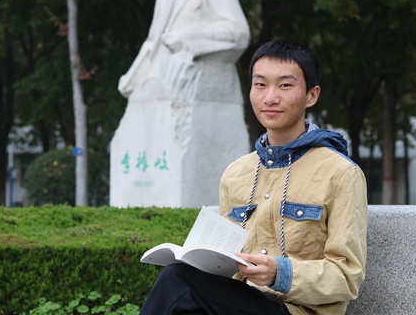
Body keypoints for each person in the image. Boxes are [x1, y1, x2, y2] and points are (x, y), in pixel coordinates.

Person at [139, 39, 368, 315]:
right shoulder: (236, 173)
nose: (270, 97)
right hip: (240, 304)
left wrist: (280, 273)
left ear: (312, 95)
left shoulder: (341, 173)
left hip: (297, 311)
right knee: (183, 287)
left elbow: (346, 277)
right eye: (260, 84)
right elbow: (225, 267)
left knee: (177, 281)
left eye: (285, 85)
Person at [110, 0, 250, 208]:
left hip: (195, 77)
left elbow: (238, 33)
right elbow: (152, 41)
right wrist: (133, 76)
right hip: (158, 79)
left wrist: (188, 38)